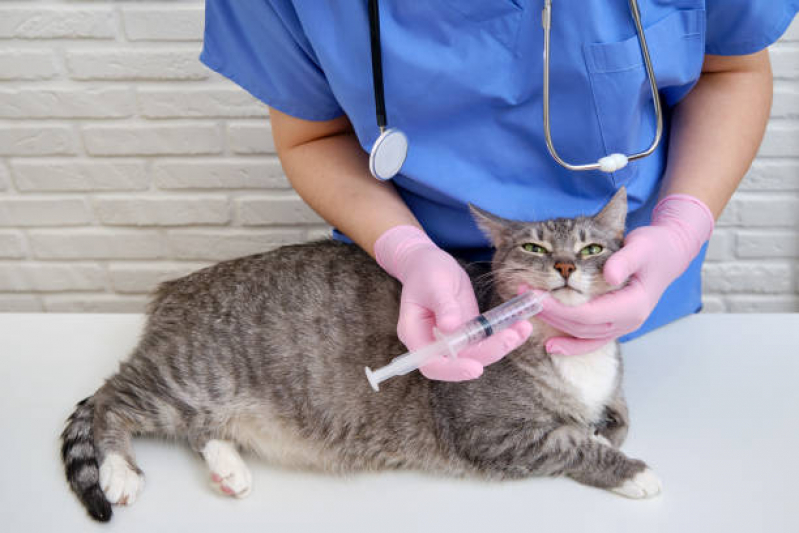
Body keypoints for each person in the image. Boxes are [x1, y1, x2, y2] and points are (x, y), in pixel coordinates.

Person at [200, 1, 798, 381]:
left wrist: (682, 227)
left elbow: (732, 71)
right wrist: (409, 254)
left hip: (634, 285)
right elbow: (313, 137)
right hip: (415, 304)